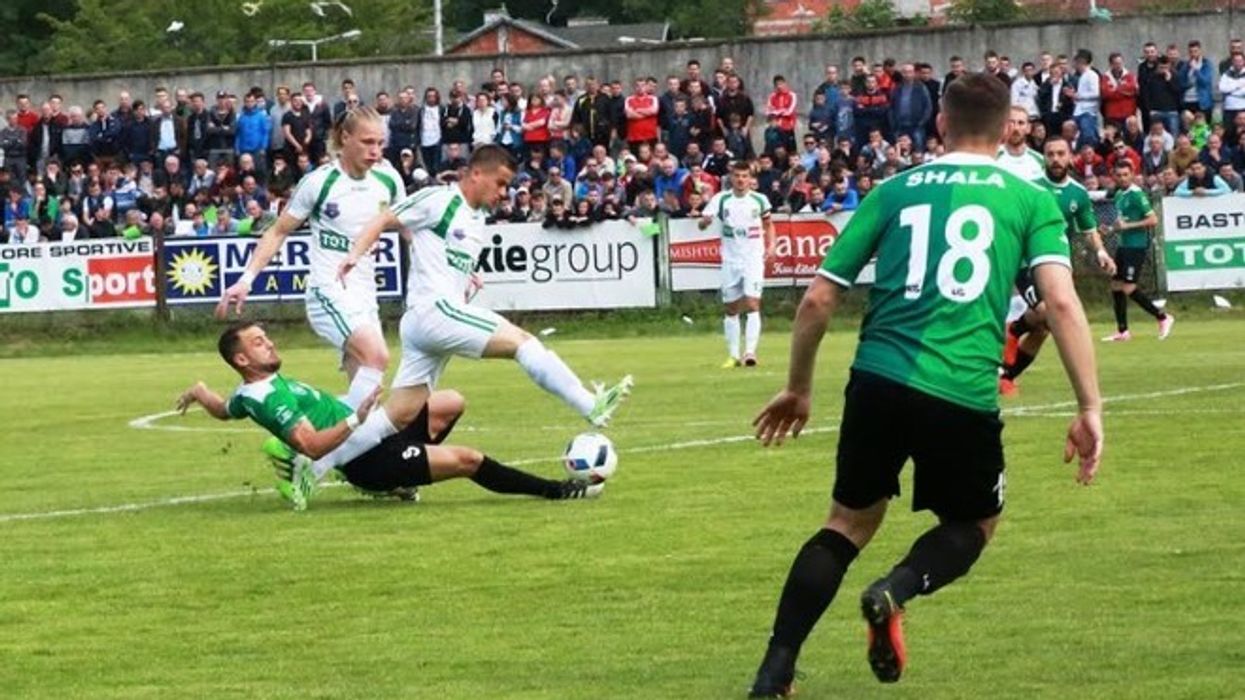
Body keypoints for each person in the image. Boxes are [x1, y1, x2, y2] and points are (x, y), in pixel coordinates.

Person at [746, 73, 1103, 698]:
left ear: (939, 124)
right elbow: (1063, 305)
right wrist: (1089, 405)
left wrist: (799, 388)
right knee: (975, 523)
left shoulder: (892, 190)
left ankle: (775, 671)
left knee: (847, 524)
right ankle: (896, 589)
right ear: (1006, 132)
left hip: (878, 379)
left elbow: (817, 300)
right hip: (961, 389)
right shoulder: (1030, 200)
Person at [338, 144, 633, 449]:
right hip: (434, 312)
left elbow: (441, 254)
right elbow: (383, 219)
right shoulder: (440, 199)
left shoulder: (476, 217)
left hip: (426, 323)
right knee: (522, 342)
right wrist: (354, 255)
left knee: (397, 416)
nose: (504, 192)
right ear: (476, 174)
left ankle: (314, 463)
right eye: (501, 183)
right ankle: (589, 404)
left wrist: (467, 277)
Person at [176, 322, 602, 511]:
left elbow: (224, 410)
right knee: (468, 459)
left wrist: (198, 392)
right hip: (364, 456)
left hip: (375, 432)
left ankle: (405, 475)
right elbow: (309, 444)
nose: (269, 343)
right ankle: (558, 492)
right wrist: (355, 418)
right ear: (241, 358)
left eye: (266, 337)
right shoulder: (268, 399)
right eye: (258, 342)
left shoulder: (247, 391)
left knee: (451, 400)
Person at [216, 107, 403, 412]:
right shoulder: (320, 182)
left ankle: (305, 446)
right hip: (327, 291)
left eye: (381, 143)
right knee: (378, 355)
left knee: (367, 403)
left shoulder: (388, 179)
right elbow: (278, 231)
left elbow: (407, 225)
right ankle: (300, 413)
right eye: (368, 142)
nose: (376, 151)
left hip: (366, 293)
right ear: (345, 138)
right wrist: (246, 279)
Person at [999, 137, 1116, 395]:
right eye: (1050, 154)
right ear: (1044, 158)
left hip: (1057, 266)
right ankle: (1015, 329)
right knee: (1046, 312)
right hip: (1026, 264)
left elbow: (1089, 229)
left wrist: (1101, 252)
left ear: (1070, 156)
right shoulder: (1031, 189)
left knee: (1045, 328)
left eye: (1060, 153)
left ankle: (1007, 375)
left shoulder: (1078, 193)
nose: (1055, 159)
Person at [700, 160, 777, 369]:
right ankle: (733, 355)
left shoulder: (760, 200)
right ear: (731, 178)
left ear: (751, 179)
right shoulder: (721, 199)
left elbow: (769, 225)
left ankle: (750, 352)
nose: (741, 180)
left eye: (745, 176)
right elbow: (702, 221)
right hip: (730, 261)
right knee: (731, 308)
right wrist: (704, 222)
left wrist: (771, 246)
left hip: (753, 259)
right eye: (738, 176)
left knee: (752, 303)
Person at [1102, 160, 1174, 342]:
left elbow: (1152, 220)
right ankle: (1123, 331)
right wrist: (1110, 229)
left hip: (1136, 246)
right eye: (1119, 175)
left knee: (1128, 287)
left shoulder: (1136, 194)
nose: (1122, 178)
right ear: (1114, 176)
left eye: (1126, 174)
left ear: (1132, 174)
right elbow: (1122, 223)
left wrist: (1127, 226)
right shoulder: (1119, 194)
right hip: (1123, 245)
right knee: (1116, 286)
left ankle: (1163, 317)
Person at [996, 106, 1045, 181]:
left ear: (1028, 128)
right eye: (1011, 122)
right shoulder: (992, 158)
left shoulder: (1040, 161)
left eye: (1021, 123)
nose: (1016, 128)